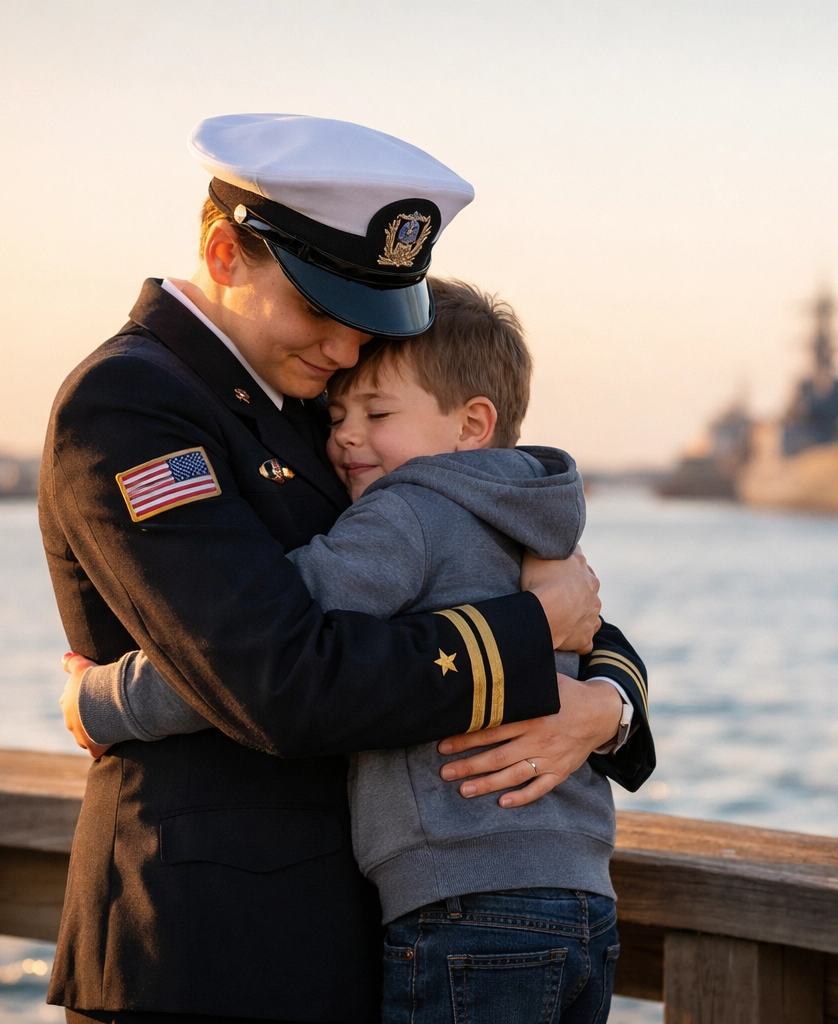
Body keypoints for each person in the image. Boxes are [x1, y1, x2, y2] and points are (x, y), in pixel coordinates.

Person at [42, 114, 651, 1024]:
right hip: (208, 954)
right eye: (322, 308)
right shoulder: (136, 403)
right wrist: (527, 640)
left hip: (373, 936)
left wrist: (604, 708)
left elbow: (512, 588)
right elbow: (278, 677)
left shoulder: (321, 408)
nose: (346, 346)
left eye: (367, 319)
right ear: (223, 249)